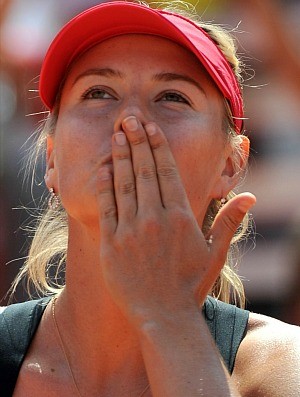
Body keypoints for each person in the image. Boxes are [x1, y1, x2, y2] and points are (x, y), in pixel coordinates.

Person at [1, 1, 299, 396]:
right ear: (52, 158)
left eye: (173, 97)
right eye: (98, 92)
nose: (131, 121)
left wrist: (169, 316)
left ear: (230, 165)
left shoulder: (282, 362)